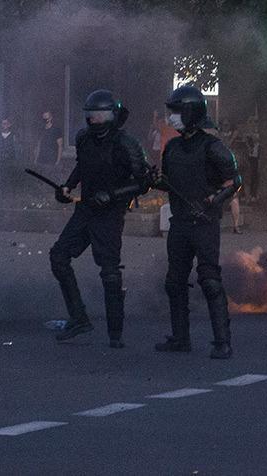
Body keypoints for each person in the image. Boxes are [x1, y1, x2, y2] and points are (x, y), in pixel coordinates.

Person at [49, 90, 149, 348]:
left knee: (110, 272)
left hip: (110, 215)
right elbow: (82, 166)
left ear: (113, 115)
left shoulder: (127, 144)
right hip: (85, 211)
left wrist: (113, 194)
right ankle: (79, 318)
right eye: (91, 114)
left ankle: (115, 333)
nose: (94, 119)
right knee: (58, 256)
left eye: (100, 114)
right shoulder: (84, 138)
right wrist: (67, 187)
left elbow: (143, 182)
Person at [153, 86, 242, 359]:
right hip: (179, 222)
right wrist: (152, 180)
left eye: (177, 112)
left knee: (210, 281)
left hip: (204, 224)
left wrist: (214, 200)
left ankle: (222, 342)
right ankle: (180, 338)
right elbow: (168, 182)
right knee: (174, 281)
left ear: (191, 113)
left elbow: (234, 182)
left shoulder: (213, 147)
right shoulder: (172, 148)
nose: (172, 117)